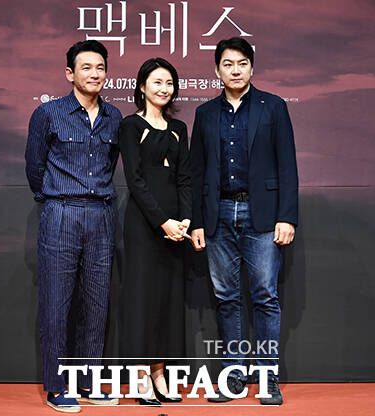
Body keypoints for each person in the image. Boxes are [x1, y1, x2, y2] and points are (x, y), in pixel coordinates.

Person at [189, 37, 299, 406]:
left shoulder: (273, 107)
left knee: (265, 295)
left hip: (262, 214)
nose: (235, 70)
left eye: (241, 63)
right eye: (227, 64)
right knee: (227, 297)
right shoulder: (205, 113)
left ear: (252, 67)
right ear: (216, 70)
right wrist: (198, 221)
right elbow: (198, 171)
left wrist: (287, 216)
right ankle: (233, 377)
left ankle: (267, 379)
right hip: (218, 213)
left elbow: (287, 165)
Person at [25, 39, 122, 413]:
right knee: (56, 302)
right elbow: (35, 168)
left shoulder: (114, 117)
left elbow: (112, 163)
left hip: (101, 214)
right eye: (86, 67)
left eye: (100, 67)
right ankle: (56, 386)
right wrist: (54, 199)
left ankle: (89, 382)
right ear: (70, 73)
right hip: (61, 212)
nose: (95, 73)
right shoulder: (48, 113)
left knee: (96, 303)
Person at [117, 57, 191, 406]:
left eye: (169, 83)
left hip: (176, 228)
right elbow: (135, 180)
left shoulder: (179, 129)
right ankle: (140, 375)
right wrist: (163, 222)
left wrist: (185, 220)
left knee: (167, 300)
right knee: (142, 298)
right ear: (142, 86)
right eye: (157, 82)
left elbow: (185, 178)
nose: (164, 89)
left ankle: (160, 372)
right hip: (145, 224)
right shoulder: (131, 126)